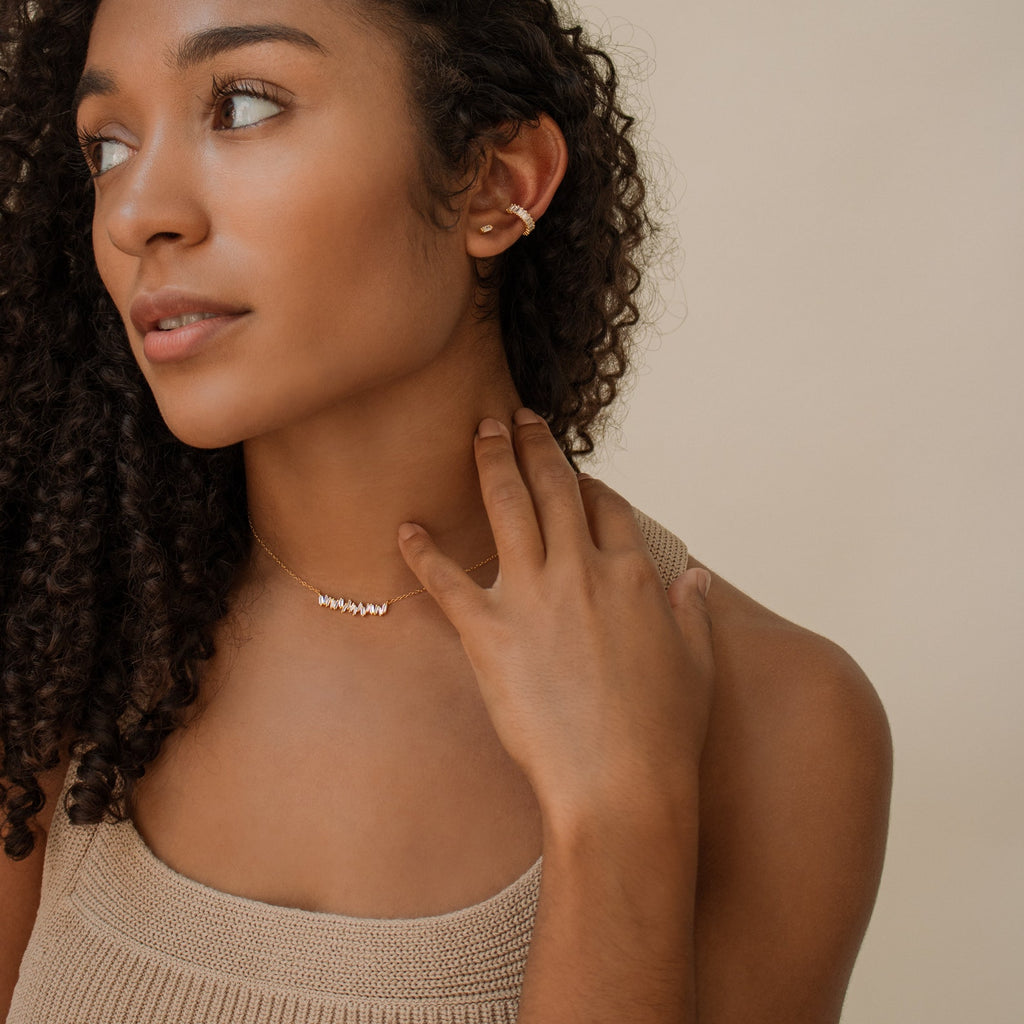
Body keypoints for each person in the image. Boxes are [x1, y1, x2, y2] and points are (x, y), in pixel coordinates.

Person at [0, 0, 893, 1021]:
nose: (135, 213)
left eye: (242, 105)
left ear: (496, 185)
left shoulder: (777, 717)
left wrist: (618, 822)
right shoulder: (53, 640)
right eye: (107, 145)